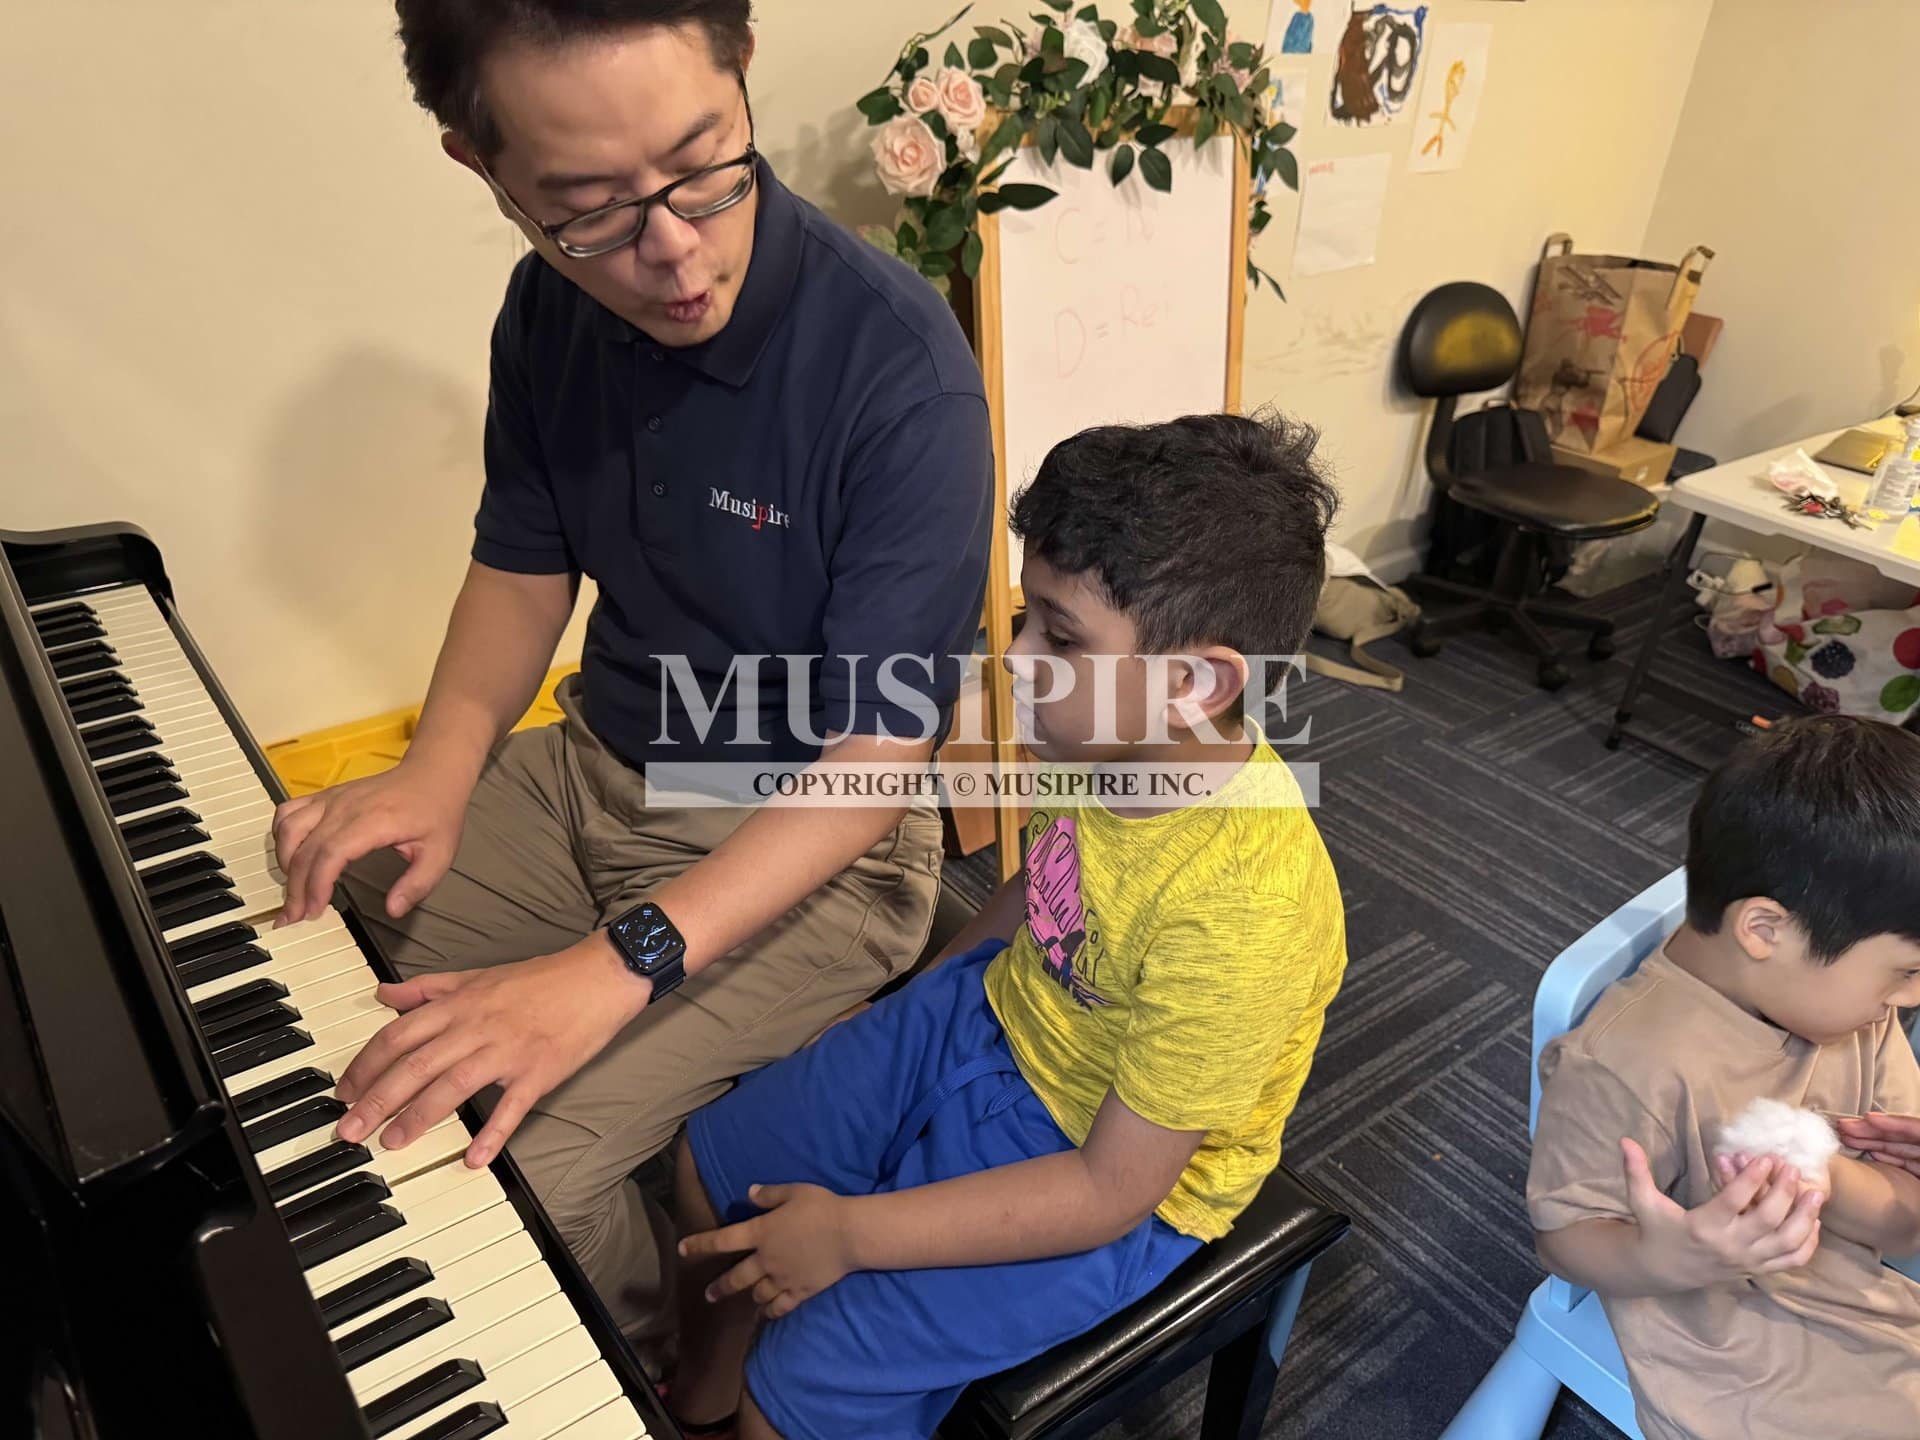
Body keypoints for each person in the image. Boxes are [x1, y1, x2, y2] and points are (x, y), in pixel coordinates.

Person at [269, 0, 992, 1345]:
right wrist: (437, 770)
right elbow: (522, 565)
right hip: (592, 765)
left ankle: (655, 1367)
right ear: (481, 165)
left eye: (704, 165)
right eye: (589, 210)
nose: (672, 252)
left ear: (742, 70)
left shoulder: (898, 375)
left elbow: (875, 761)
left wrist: (616, 964)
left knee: (516, 1177)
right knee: (294, 941)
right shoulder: (547, 308)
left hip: (814, 837)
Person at [664, 413, 1349, 1440]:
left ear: (1194, 683)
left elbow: (1110, 1190)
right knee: (710, 1171)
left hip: (1103, 1160)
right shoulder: (1104, 736)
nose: (1015, 658)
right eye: (1026, 618)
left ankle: (746, 1407)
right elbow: (1040, 890)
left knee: (794, 1396)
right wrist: (909, 1006)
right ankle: (695, 1405)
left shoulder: (1247, 910)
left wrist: (852, 1235)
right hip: (996, 1011)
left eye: (1059, 639)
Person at [1529, 715, 1920, 1440]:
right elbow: (1562, 1238)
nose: (1912, 996)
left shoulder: (1862, 1016)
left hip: (1859, 1309)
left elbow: (1906, 1221)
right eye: (1907, 970)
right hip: (1726, 1350)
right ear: (1765, 931)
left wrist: (1824, 1177)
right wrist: (1661, 1257)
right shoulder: (1625, 1062)